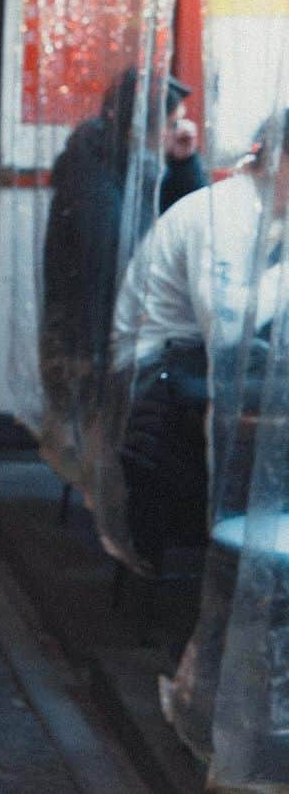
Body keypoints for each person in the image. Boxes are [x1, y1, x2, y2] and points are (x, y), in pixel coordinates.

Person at [111, 109, 289, 569]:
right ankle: (252, 564)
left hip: (193, 360)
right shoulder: (226, 212)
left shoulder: (265, 208)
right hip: (151, 371)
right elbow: (229, 326)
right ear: (279, 163)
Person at [38, 69, 208, 483]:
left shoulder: (131, 163)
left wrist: (184, 164)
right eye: (171, 123)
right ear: (141, 127)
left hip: (108, 328)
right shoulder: (97, 177)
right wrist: (103, 355)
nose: (180, 130)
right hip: (94, 332)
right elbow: (107, 269)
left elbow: (185, 218)